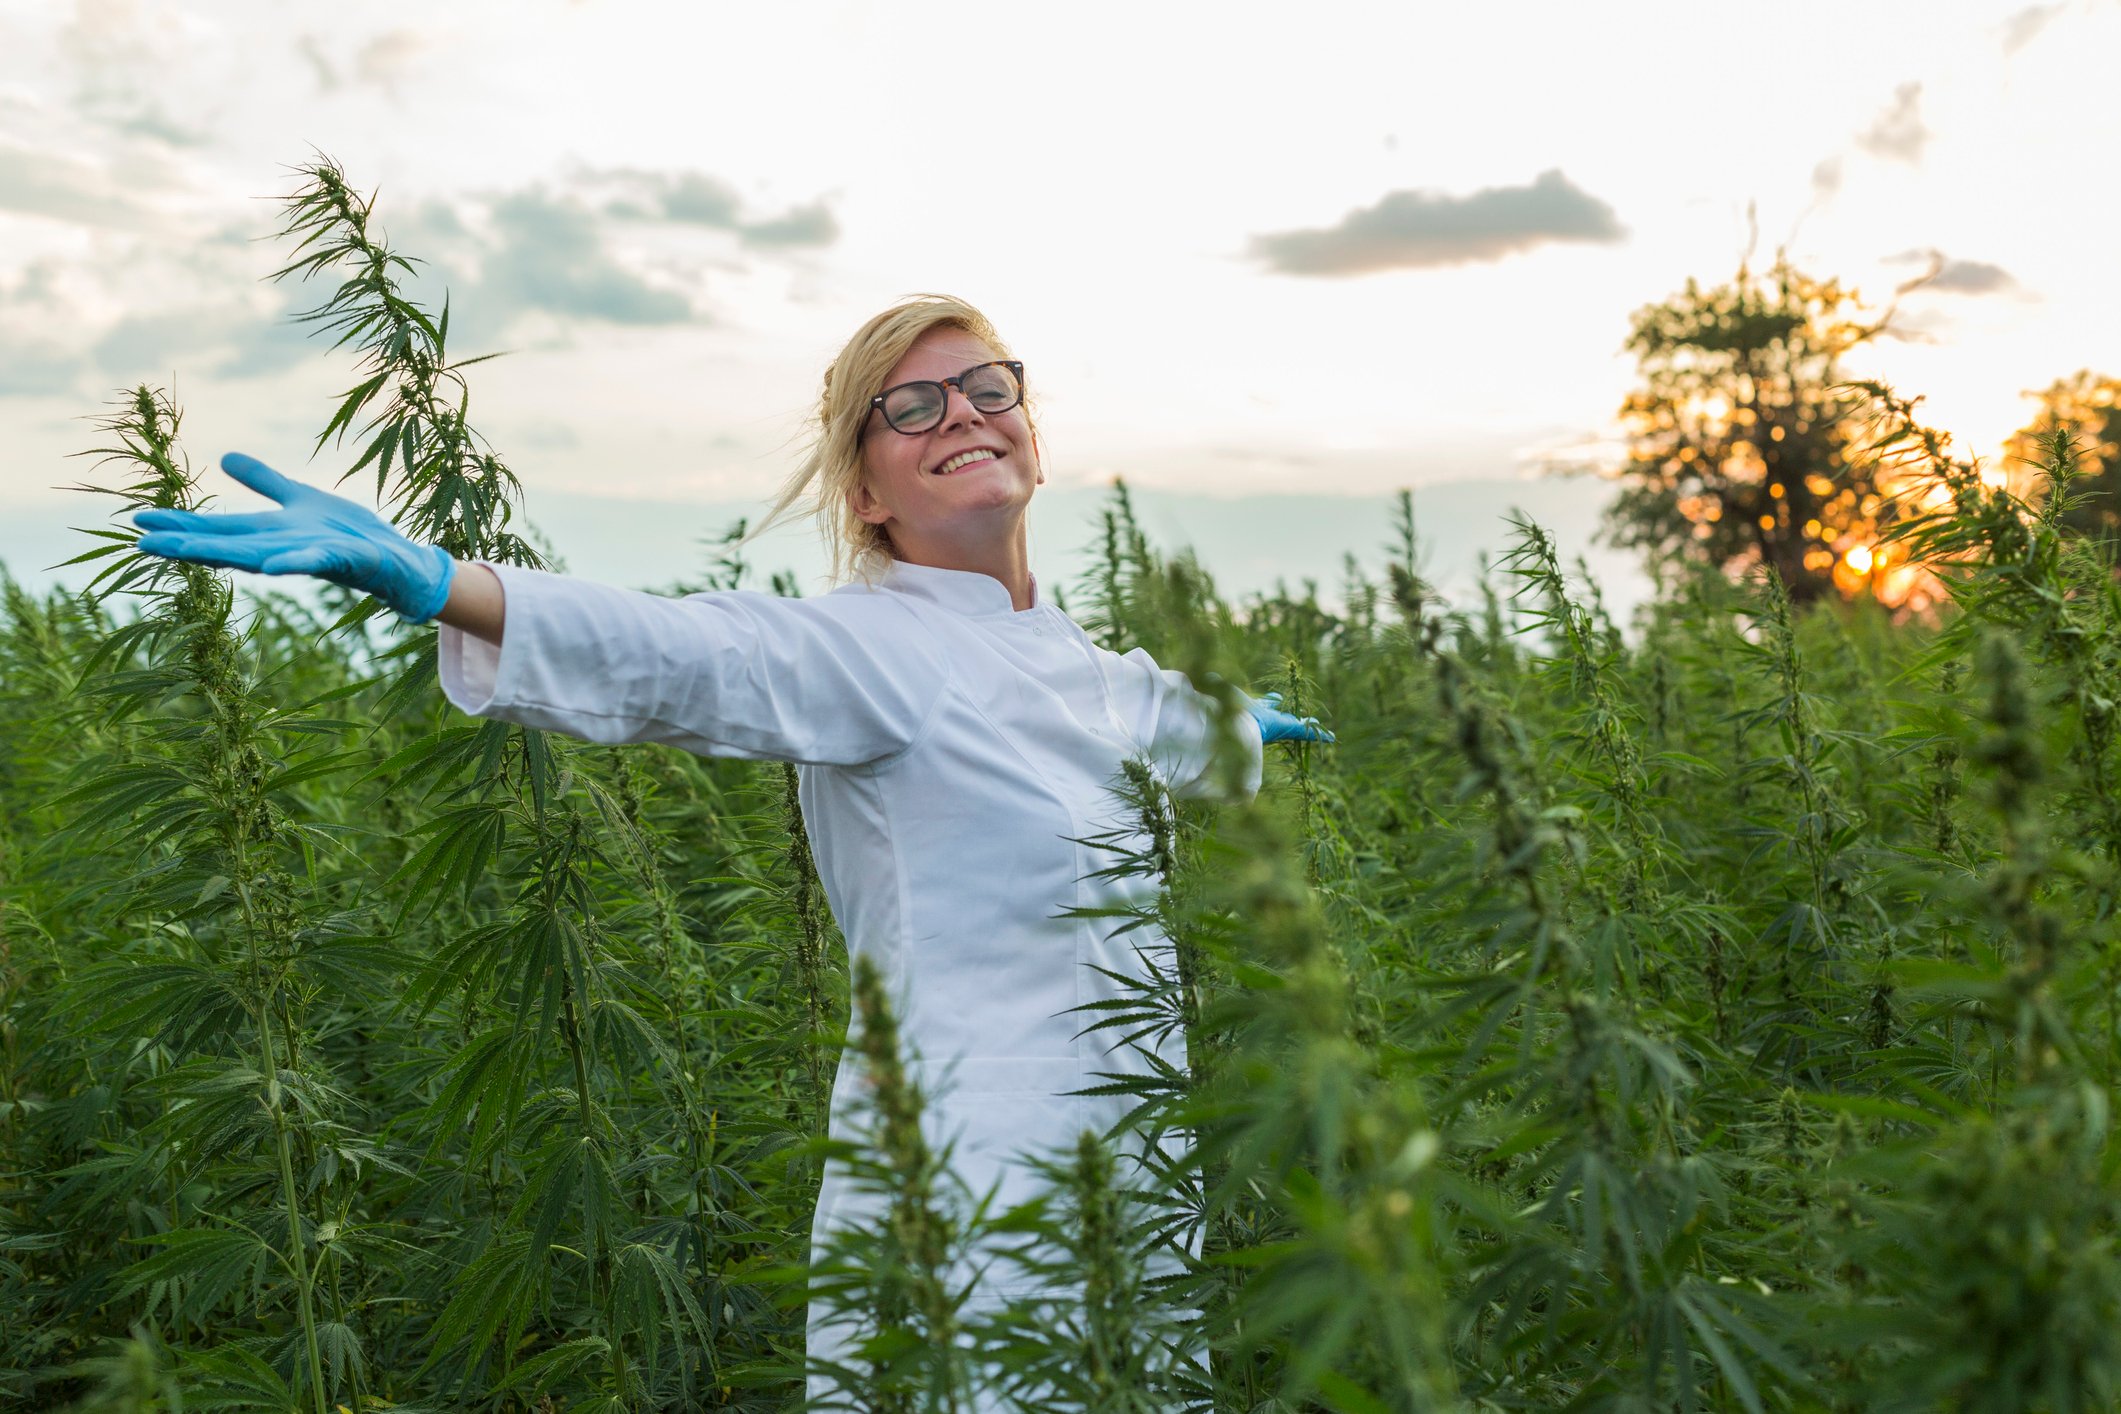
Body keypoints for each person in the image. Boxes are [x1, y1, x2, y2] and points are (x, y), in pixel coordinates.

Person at [133, 293, 1331, 1407]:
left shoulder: (1095, 669)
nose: (960, 413)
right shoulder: (870, 651)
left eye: (985, 386)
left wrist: (1240, 726)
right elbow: (695, 656)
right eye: (909, 407)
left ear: (1028, 422)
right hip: (973, 1195)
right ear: (866, 492)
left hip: (1135, 1181)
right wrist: (453, 586)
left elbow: (1167, 721)